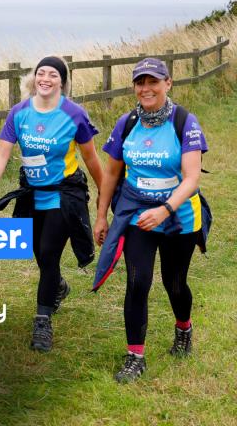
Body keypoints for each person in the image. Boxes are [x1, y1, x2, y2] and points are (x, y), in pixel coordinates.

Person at [93, 57, 209, 383]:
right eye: (140, 83)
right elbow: (111, 175)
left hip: (178, 217)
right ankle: (135, 357)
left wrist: (165, 209)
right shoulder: (126, 123)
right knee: (137, 281)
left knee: (175, 283)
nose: (146, 88)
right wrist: (102, 216)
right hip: (136, 214)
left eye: (153, 82)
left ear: (168, 83)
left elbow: (191, 178)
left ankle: (183, 328)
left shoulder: (185, 122)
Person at [0, 56, 103, 352]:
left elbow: (90, 158)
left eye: (53, 74)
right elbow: (2, 153)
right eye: (41, 73)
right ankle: (58, 287)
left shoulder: (74, 114)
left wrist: (105, 194)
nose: (45, 78)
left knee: (49, 253)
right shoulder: (19, 113)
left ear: (62, 81)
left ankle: (42, 322)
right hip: (31, 194)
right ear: (34, 78)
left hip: (64, 194)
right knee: (37, 252)